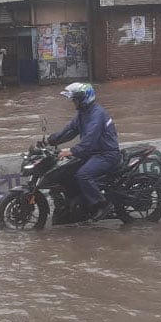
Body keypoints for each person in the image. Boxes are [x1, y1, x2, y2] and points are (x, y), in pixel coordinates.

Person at [46, 82, 120, 222]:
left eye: (75, 100)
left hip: (106, 154)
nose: (73, 103)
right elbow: (70, 130)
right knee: (68, 172)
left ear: (83, 99)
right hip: (92, 153)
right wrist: (50, 141)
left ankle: (102, 204)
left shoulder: (97, 114)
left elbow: (89, 141)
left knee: (83, 175)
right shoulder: (83, 113)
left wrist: (72, 151)